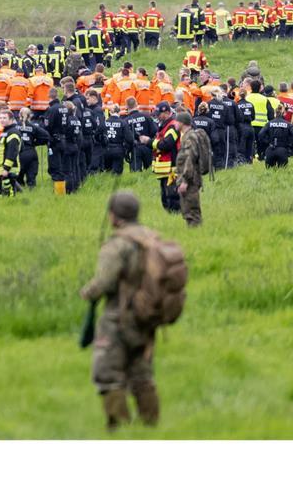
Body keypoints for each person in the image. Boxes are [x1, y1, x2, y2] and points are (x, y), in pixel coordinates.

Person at [79, 191, 162, 430]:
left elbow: (104, 282)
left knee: (108, 375)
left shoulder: (118, 245)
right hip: (146, 316)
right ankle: (151, 427)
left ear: (115, 216)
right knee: (142, 376)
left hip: (118, 317)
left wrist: (87, 292)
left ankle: (120, 429)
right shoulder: (150, 238)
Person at [174, 112, 206, 227]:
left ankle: (197, 235)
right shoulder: (187, 136)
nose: (174, 123)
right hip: (189, 178)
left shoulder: (190, 137)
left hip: (190, 179)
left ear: (182, 123)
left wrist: (184, 181)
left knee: (192, 211)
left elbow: (190, 159)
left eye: (176, 121)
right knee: (188, 210)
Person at [152, 102, 181, 212]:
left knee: (173, 196)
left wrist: (151, 142)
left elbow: (167, 144)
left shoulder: (173, 126)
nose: (158, 117)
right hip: (165, 168)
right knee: (165, 196)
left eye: (159, 114)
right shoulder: (164, 125)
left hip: (172, 167)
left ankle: (177, 218)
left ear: (167, 113)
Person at [0, 111, 21, 196]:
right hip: (1, 168)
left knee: (9, 193)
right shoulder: (4, 132)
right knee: (1, 193)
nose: (2, 120)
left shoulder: (13, 133)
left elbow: (12, 153)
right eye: (0, 118)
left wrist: (6, 169)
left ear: (11, 119)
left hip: (9, 169)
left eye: (4, 118)